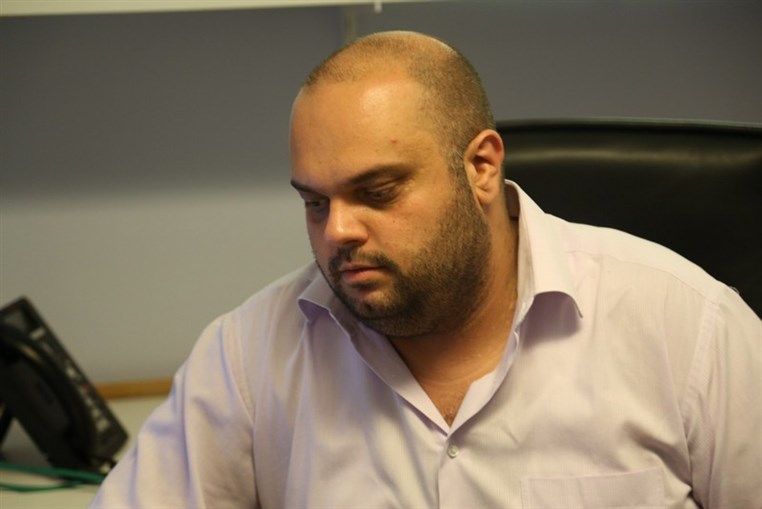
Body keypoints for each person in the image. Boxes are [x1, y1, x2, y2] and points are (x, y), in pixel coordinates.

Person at [89, 31, 761, 508]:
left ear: (482, 167)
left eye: (377, 192)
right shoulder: (250, 354)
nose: (337, 231)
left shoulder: (689, 329)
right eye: (315, 203)